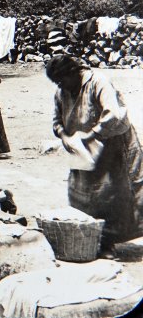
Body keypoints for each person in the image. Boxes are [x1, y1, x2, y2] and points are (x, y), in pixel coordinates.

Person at [46, 54, 143, 245]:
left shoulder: (98, 82)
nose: (60, 85)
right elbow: (57, 121)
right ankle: (91, 238)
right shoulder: (61, 92)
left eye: (61, 80)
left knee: (114, 193)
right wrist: (65, 136)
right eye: (56, 82)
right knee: (83, 193)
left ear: (74, 72)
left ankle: (111, 241)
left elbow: (113, 114)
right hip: (84, 148)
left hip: (113, 141)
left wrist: (91, 135)